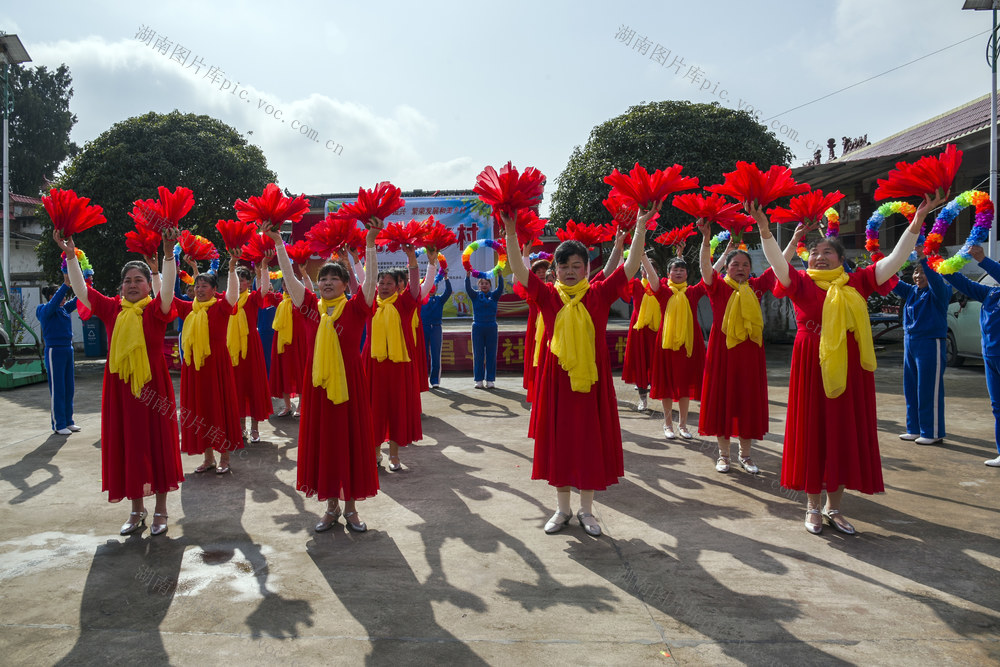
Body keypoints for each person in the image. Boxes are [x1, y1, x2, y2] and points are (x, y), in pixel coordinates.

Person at [751, 194, 943, 534]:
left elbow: (896, 259)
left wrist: (915, 223)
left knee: (842, 431)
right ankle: (811, 506)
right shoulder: (800, 282)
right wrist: (765, 228)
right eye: (814, 252)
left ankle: (834, 507)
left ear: (841, 259)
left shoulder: (858, 282)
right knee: (814, 431)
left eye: (827, 252)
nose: (819, 257)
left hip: (850, 366)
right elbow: (776, 263)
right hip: (811, 361)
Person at [501, 204, 659, 537]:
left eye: (577, 265)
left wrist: (640, 229)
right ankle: (562, 510)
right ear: (555, 270)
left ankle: (587, 512)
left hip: (591, 380)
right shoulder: (547, 297)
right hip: (556, 380)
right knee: (560, 441)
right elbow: (517, 267)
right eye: (564, 266)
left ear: (588, 268)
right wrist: (511, 231)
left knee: (588, 442)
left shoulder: (599, 293)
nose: (570, 271)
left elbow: (630, 266)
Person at [55, 227, 183, 536]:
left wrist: (167, 255)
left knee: (157, 446)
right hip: (121, 391)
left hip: (154, 389)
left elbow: (167, 292)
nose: (133, 284)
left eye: (139, 280)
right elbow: (82, 291)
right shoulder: (112, 309)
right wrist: (71, 253)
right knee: (130, 446)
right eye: (127, 281)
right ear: (120, 287)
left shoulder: (155, 310)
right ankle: (136, 509)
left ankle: (161, 511)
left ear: (147, 286)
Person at [266, 223, 380, 532]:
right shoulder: (309, 310)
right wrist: (278, 243)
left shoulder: (357, 308)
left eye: (334, 278)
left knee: (350, 442)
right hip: (317, 386)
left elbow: (369, 284)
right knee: (325, 444)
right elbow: (290, 281)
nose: (327, 282)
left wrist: (369, 242)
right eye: (323, 278)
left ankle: (351, 509)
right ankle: (330, 507)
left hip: (349, 386)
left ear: (345, 284)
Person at [696, 221, 775, 475]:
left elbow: (779, 265)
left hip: (750, 353)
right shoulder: (718, 287)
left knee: (747, 402)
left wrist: (793, 240)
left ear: (751, 269)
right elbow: (705, 268)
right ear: (727, 268)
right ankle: (723, 456)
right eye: (735, 265)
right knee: (723, 403)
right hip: (722, 353)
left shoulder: (756, 288)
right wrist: (706, 239)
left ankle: (746, 455)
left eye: (745, 265)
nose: (740, 269)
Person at [175, 255, 243, 475]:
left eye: (205, 286)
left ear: (215, 290)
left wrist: (231, 267)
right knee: (199, 411)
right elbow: (164, 295)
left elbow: (234, 293)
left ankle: (224, 456)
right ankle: (208, 458)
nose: (199, 289)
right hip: (195, 369)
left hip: (217, 368)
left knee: (218, 409)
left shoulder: (221, 308)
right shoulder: (189, 310)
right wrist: (160, 269)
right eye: (197, 286)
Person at [937, 245, 1000, 466]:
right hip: (991, 356)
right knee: (997, 406)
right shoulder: (991, 293)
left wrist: (983, 259)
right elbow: (963, 284)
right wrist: (942, 265)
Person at [366, 245, 424, 472]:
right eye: (381, 283)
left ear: (398, 286)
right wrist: (351, 260)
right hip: (374, 365)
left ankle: (394, 455)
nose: (384, 287)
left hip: (398, 366)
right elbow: (358, 284)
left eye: (389, 283)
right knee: (374, 410)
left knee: (396, 410)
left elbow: (416, 288)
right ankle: (374, 452)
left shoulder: (404, 303)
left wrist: (412, 259)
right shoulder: (370, 304)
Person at [892, 249, 950, 445]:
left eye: (923, 272)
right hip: (910, 342)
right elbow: (889, 280)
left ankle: (932, 432)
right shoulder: (911, 292)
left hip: (930, 343)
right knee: (911, 388)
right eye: (916, 272)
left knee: (928, 389)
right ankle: (914, 429)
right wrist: (879, 261)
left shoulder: (939, 291)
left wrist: (926, 259)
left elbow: (934, 278)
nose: (918, 276)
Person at [645, 255, 705, 440]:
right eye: (675, 270)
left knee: (685, 385)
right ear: (668, 273)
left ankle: (684, 425)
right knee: (667, 386)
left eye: (682, 269)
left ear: (687, 273)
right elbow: (651, 275)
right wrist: (642, 256)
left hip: (688, 346)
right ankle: (668, 424)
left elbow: (710, 274)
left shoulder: (693, 292)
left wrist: (725, 252)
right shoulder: (663, 291)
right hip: (667, 346)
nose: (678, 272)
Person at [228, 262, 274, 443]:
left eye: (243, 280)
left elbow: (264, 288)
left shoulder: (254, 298)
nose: (239, 283)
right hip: (232, 348)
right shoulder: (227, 300)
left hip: (251, 346)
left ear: (248, 282)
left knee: (253, 385)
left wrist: (262, 269)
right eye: (236, 280)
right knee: (236, 387)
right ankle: (240, 428)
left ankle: (255, 429)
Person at [37, 277, 79, 435]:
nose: (64, 299)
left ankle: (68, 421)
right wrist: (65, 285)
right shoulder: (43, 310)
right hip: (54, 351)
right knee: (58, 389)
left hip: (68, 349)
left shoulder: (63, 309)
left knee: (69, 388)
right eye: (61, 295)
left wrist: (87, 281)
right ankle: (58, 423)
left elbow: (77, 299)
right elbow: (53, 305)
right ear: (51, 297)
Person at [620, 261, 660, 413]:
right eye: (644, 269)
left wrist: (679, 256)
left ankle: (662, 395)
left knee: (658, 363)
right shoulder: (636, 285)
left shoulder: (660, 286)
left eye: (652, 269)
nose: (647, 272)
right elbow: (622, 279)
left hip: (656, 329)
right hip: (639, 329)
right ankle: (643, 399)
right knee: (640, 363)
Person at [511, 256, 551, 403]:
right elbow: (519, 276)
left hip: (553, 327)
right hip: (536, 328)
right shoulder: (532, 288)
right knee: (536, 359)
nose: (541, 273)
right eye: (537, 270)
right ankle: (538, 394)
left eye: (544, 270)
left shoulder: (557, 288)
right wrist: (526, 253)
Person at [465, 270, 505, 389]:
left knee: (491, 354)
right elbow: (467, 288)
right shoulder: (475, 295)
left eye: (486, 283)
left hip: (491, 326)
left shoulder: (494, 295)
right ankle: (478, 380)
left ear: (490, 285)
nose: (484, 285)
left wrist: (500, 276)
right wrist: (467, 276)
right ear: (478, 285)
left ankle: (490, 380)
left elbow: (501, 287)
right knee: (478, 354)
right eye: (481, 283)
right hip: (478, 326)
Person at [421, 255, 452, 389]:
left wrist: (446, 277)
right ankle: (421, 380)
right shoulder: (420, 299)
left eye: (434, 284)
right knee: (422, 355)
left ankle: (435, 381)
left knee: (435, 355)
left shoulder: (439, 299)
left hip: (436, 328)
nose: (432, 287)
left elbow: (449, 291)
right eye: (429, 284)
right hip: (422, 327)